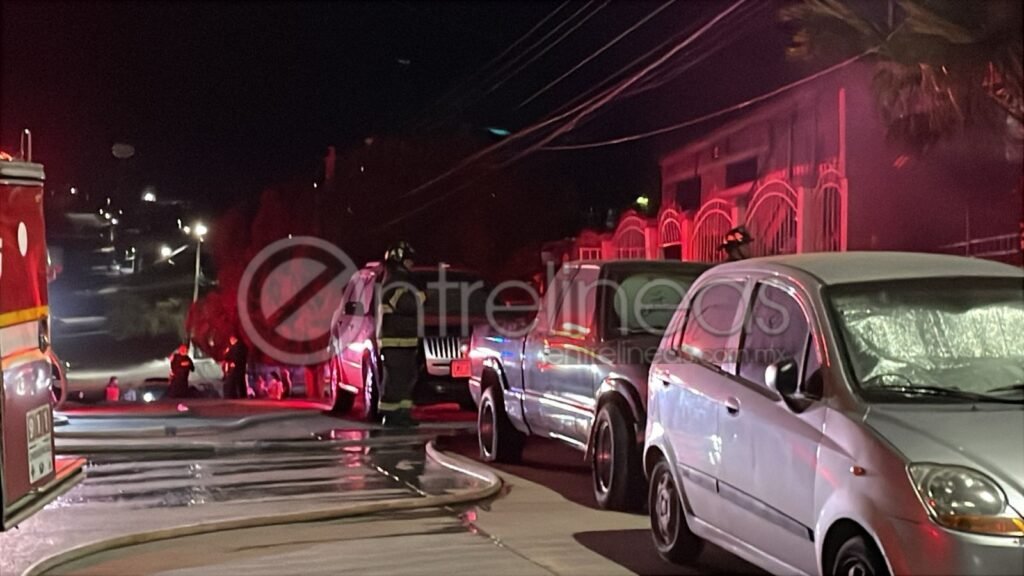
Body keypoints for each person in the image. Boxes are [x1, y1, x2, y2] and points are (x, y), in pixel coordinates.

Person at [377, 240, 425, 427]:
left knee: (406, 379)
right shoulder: (394, 282)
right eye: (408, 260)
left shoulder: (399, 279)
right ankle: (390, 415)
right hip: (395, 341)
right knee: (396, 380)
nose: (411, 264)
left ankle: (402, 413)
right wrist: (422, 296)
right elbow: (406, 305)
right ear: (399, 261)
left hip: (403, 340)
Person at [223, 335, 249, 399]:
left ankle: (233, 395)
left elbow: (228, 357)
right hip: (241, 366)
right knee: (241, 381)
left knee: (232, 381)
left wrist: (227, 352)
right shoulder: (243, 346)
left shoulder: (234, 347)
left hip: (235, 366)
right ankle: (242, 395)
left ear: (233, 339)